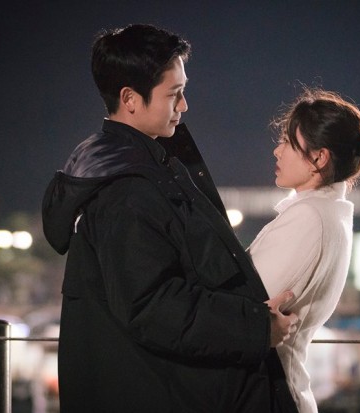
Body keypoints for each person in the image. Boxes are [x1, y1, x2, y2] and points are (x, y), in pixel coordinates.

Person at [41, 24, 299, 413]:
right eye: (173, 94)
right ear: (130, 99)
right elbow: (151, 304)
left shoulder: (142, 165)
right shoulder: (126, 190)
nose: (184, 105)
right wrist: (257, 327)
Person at [248, 88, 360, 413]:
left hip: (267, 392)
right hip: (280, 389)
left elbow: (240, 303)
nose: (277, 150)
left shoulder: (310, 217)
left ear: (319, 158)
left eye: (288, 142)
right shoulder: (328, 212)